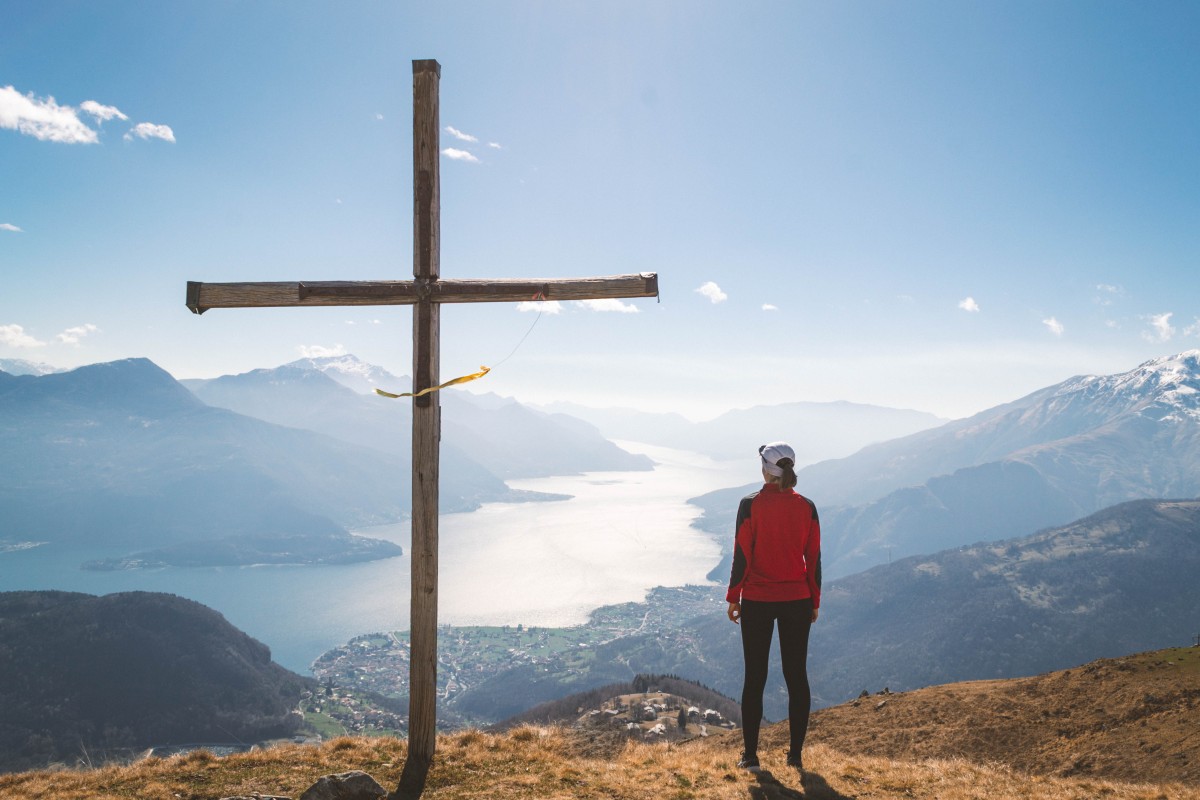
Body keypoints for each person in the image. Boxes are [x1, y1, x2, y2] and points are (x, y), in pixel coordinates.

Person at [726, 441, 821, 775]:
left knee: (755, 676)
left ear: (765, 469)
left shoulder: (749, 505)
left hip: (758, 600)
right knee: (796, 676)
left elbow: (742, 555)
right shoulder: (807, 507)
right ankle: (795, 757)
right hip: (797, 600)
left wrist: (733, 597)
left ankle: (750, 757)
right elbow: (814, 558)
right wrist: (814, 601)